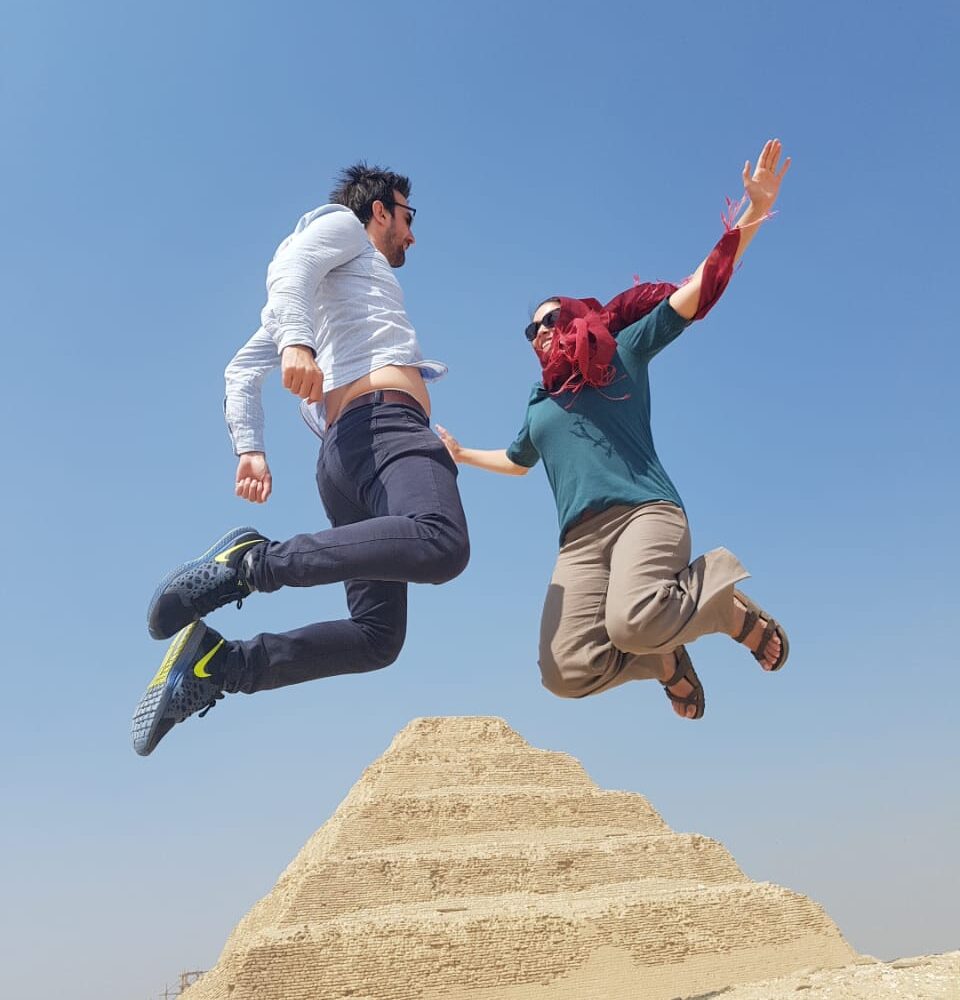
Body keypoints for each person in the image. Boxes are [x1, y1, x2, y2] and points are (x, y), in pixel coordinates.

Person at [437, 140, 792, 721]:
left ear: (577, 316)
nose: (540, 333)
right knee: (565, 671)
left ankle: (729, 610)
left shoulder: (622, 351)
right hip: (578, 543)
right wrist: (460, 454)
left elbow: (699, 289)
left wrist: (752, 213)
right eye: (531, 330)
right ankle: (665, 663)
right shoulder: (541, 401)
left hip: (643, 513)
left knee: (632, 621)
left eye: (550, 319)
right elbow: (518, 458)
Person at [132, 164, 470, 756]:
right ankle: (248, 565)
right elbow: (290, 265)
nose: (412, 235)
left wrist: (251, 449)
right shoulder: (343, 227)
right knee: (442, 542)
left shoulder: (320, 298)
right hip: (382, 429)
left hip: (350, 460)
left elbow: (240, 371)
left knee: (376, 639)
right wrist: (296, 343)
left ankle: (218, 666)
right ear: (381, 210)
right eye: (408, 218)